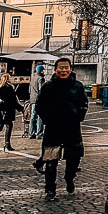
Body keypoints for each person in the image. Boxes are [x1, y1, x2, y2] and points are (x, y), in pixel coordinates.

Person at [34, 57, 88, 201]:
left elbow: (84, 103)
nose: (63, 70)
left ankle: (69, 177)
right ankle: (50, 189)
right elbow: (39, 105)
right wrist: (47, 119)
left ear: (70, 69)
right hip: (53, 128)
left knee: (74, 158)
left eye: (66, 68)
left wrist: (80, 115)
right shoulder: (48, 86)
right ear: (55, 69)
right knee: (51, 161)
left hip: (72, 127)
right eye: (61, 68)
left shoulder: (78, 86)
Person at [28, 64, 46, 139]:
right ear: (41, 71)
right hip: (39, 101)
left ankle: (31, 133)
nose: (44, 71)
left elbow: (29, 90)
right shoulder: (41, 79)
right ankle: (39, 133)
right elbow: (42, 90)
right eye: (43, 70)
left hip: (32, 100)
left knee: (32, 117)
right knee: (40, 117)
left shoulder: (33, 78)